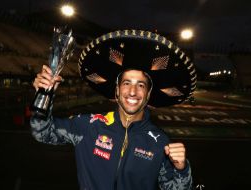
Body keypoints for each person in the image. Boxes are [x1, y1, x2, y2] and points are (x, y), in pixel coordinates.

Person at [31, 30, 196, 190]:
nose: (132, 92)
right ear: (117, 90)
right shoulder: (89, 126)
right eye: (126, 83)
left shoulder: (160, 142)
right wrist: (44, 93)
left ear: (148, 94)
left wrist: (181, 169)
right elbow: (42, 132)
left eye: (140, 85)